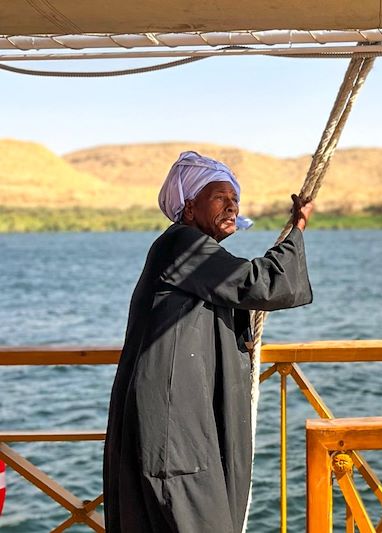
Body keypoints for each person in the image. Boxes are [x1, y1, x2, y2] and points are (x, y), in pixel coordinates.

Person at [103, 151, 313, 532]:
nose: (232, 206)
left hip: (180, 422)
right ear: (188, 208)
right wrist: (297, 232)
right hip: (174, 430)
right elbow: (258, 283)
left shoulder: (192, 250)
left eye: (235, 199)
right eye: (220, 197)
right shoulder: (181, 244)